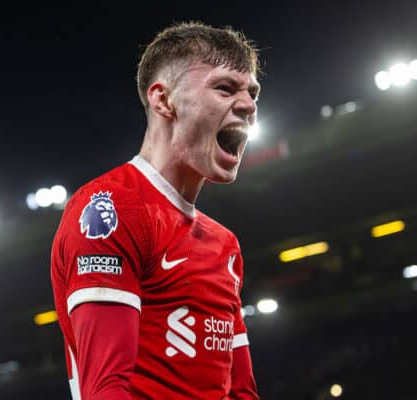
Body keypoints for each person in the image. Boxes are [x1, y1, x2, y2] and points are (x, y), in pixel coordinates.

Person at [50, 21, 261, 400]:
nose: (248, 106)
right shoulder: (109, 209)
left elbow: (241, 392)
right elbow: (106, 390)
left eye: (252, 92)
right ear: (163, 101)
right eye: (225, 88)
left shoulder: (225, 245)